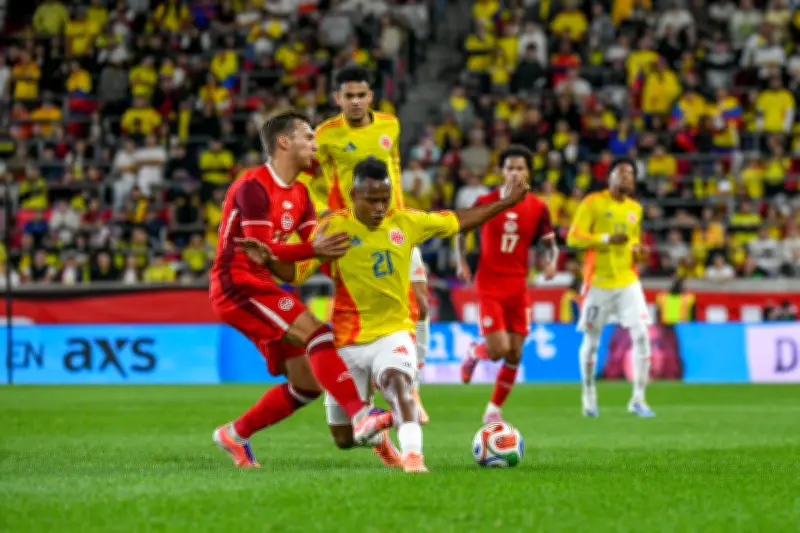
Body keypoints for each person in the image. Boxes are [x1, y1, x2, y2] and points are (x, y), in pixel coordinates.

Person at [239, 157, 530, 473]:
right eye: (372, 200)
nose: (380, 207)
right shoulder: (333, 229)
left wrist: (504, 203)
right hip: (347, 341)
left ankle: (414, 458)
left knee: (397, 383)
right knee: (343, 438)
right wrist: (269, 261)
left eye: (384, 199)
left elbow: (458, 220)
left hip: (393, 331)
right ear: (354, 196)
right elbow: (295, 274)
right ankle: (381, 440)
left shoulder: (406, 222)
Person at [209, 111, 392, 468]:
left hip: (261, 285)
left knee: (306, 384)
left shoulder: (301, 194)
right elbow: (263, 250)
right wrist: (313, 249)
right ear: (283, 142)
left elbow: (315, 251)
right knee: (318, 334)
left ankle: (235, 434)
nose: (315, 144)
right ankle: (360, 415)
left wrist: (362, 278)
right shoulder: (253, 187)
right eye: (308, 137)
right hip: (237, 284)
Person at [312, 64, 432, 425]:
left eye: (361, 95)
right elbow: (308, 177)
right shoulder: (325, 135)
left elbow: (392, 169)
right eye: (348, 96)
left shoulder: (390, 125)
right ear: (337, 99)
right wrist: (322, 215)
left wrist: (403, 211)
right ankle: (357, 400)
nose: (355, 102)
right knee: (361, 314)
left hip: (396, 228)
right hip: (355, 234)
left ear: (371, 97)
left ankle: (413, 387)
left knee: (422, 305)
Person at [455, 145, 558, 424]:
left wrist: (550, 263)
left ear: (528, 173)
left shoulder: (538, 207)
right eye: (510, 167)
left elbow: (550, 244)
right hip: (489, 284)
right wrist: (462, 261)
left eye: (520, 168)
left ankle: (493, 410)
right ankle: (474, 352)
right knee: (498, 349)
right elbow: (462, 229)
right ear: (502, 172)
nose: (514, 172)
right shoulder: (486, 200)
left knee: (515, 352)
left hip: (518, 286)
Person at [566, 157, 655, 418]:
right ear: (610, 177)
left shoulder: (635, 209)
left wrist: (639, 252)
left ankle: (638, 398)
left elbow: (633, 242)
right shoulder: (593, 202)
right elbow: (573, 237)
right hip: (598, 283)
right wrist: (606, 239)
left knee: (641, 335)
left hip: (628, 281)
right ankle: (589, 393)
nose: (626, 178)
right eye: (621, 173)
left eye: (631, 175)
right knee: (592, 342)